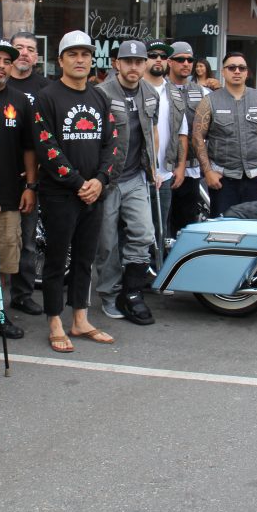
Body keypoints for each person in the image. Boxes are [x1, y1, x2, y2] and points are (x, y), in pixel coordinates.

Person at [32, 30, 117, 353]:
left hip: (95, 193)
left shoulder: (99, 97)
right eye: (73, 54)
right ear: (61, 60)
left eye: (85, 54)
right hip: (60, 194)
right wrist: (79, 183)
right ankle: (54, 320)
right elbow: (47, 147)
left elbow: (111, 143)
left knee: (85, 258)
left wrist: (100, 181)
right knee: (57, 260)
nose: (80, 60)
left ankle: (80, 318)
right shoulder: (47, 96)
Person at [0, 38, 37, 339]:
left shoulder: (20, 100)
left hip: (9, 194)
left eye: (6, 60)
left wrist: (30, 185)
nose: (1, 65)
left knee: (0, 261)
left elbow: (29, 147)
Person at [94, 40, 157, 325]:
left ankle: (131, 293)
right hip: (107, 181)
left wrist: (153, 166)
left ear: (145, 65)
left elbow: (151, 130)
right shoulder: (101, 93)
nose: (134, 66)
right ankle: (109, 293)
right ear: (116, 63)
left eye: (139, 62)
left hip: (135, 177)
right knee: (106, 244)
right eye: (128, 61)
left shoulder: (149, 92)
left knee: (144, 234)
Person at [193, 51, 257, 217]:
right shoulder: (209, 101)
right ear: (223, 72)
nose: (237, 71)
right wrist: (208, 172)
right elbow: (197, 137)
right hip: (223, 182)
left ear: (247, 72)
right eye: (231, 67)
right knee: (226, 235)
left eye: (241, 68)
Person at [7, 31, 48, 316]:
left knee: (27, 240)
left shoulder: (46, 88)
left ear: (37, 56)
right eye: (18, 48)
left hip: (31, 176)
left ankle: (22, 294)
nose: (24, 53)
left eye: (30, 49)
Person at [142, 45, 188, 271]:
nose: (158, 60)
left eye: (162, 56)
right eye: (153, 56)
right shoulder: (135, 88)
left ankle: (155, 269)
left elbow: (182, 133)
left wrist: (180, 167)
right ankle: (132, 272)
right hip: (137, 172)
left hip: (165, 171)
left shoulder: (174, 93)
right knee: (136, 227)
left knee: (160, 226)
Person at [165, 41, 208, 236]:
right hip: (162, 170)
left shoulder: (202, 92)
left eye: (190, 59)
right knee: (161, 226)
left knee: (185, 227)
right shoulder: (158, 89)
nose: (186, 63)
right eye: (180, 59)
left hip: (191, 169)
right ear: (169, 62)